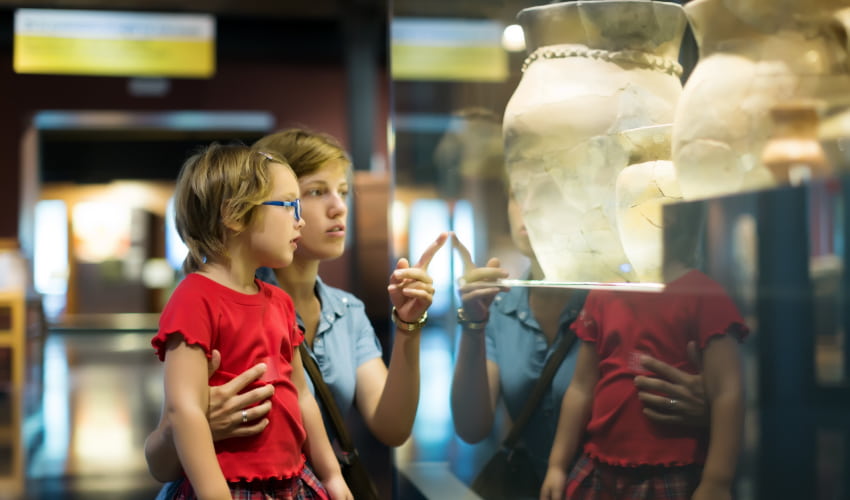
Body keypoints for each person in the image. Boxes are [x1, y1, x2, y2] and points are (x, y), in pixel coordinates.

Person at [145, 129, 449, 496]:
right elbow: (170, 440)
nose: (339, 207)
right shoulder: (203, 296)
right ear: (238, 210)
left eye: (344, 191)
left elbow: (392, 427)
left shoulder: (339, 310)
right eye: (315, 193)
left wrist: (408, 324)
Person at [450, 181, 710, 494]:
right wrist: (473, 322)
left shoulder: (623, 298)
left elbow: (667, 394)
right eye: (518, 194)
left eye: (547, 191)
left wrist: (702, 408)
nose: (528, 207)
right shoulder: (503, 307)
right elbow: (471, 427)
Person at [150, 143, 351, 499]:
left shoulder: (280, 303)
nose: (299, 220)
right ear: (235, 214)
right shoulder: (194, 298)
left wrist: (333, 476)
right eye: (289, 205)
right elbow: (185, 409)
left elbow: (302, 396)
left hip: (292, 482)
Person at [540, 202, 748, 500]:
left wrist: (717, 480)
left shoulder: (703, 295)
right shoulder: (604, 293)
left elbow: (728, 391)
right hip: (600, 465)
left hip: (672, 470)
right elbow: (581, 387)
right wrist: (557, 465)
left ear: (672, 213)